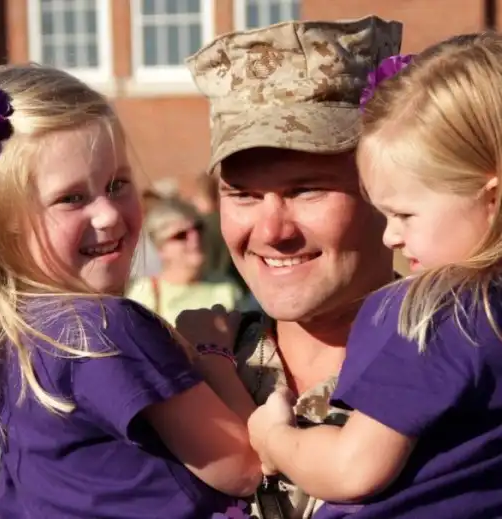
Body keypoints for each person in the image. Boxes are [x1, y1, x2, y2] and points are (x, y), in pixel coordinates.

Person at [0, 64, 261, 519]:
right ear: (1, 221)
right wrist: (215, 353)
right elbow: (244, 466)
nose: (108, 214)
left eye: (117, 185)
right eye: (71, 198)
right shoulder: (103, 328)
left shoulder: (9, 333)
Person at [247, 33, 502, 518]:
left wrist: (274, 438)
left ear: (491, 200)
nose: (391, 237)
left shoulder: (440, 313)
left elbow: (351, 469)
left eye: (404, 215)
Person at [184, 16, 403, 518]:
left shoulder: (460, 364)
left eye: (306, 190)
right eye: (243, 194)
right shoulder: (183, 379)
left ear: (388, 191)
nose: (272, 231)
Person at [127, 196, 243, 325]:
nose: (195, 239)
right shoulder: (146, 292)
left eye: (198, 228)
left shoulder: (226, 286)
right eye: (181, 235)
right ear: (160, 249)